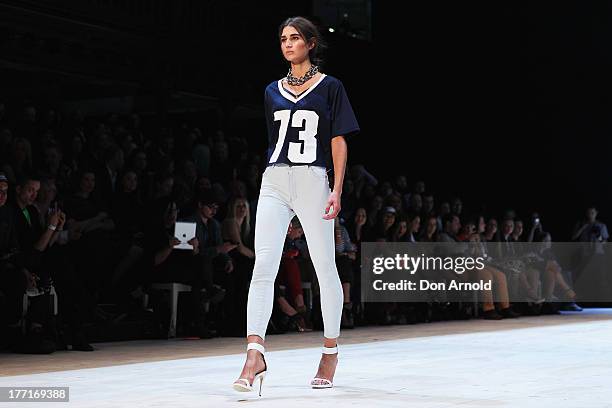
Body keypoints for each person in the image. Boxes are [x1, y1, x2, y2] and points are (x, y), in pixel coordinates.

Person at [233, 16, 359, 394]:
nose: (287, 44)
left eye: (294, 38)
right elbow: (275, 141)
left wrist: (336, 188)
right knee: (263, 266)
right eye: (283, 39)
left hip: (313, 179)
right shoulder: (272, 90)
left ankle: (330, 351)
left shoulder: (331, 87)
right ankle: (254, 354)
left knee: (324, 266)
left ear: (311, 43)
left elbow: (338, 140)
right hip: (274, 179)